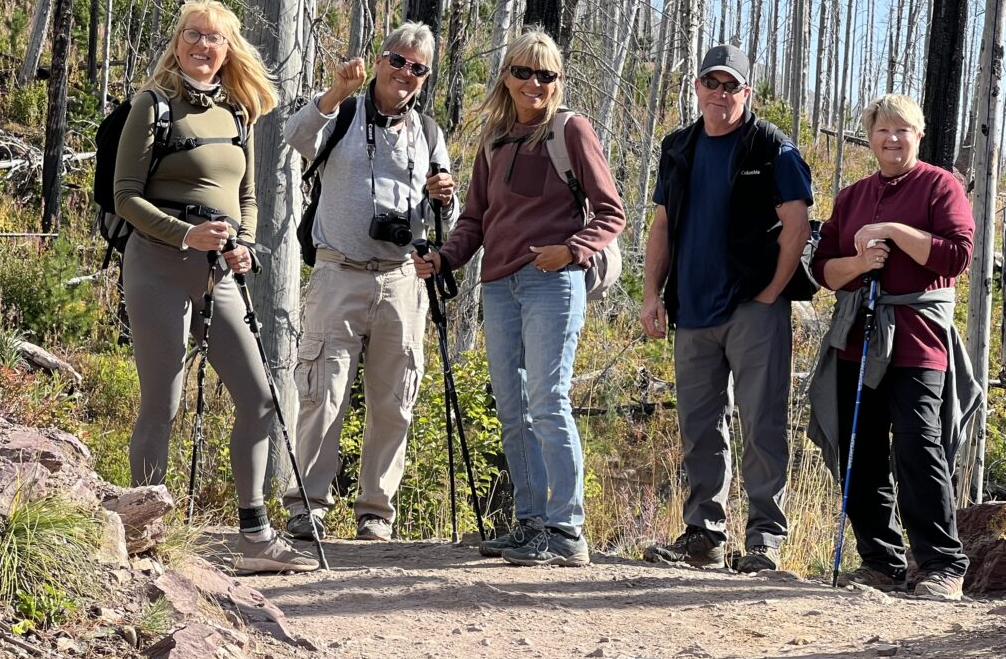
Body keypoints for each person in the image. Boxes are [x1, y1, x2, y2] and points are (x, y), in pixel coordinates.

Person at [114, 0, 318, 573]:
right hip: (157, 266)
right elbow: (124, 196)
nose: (204, 47)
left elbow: (247, 197)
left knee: (259, 398)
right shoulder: (151, 106)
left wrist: (244, 244)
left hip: (219, 273)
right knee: (163, 404)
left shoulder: (237, 114)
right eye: (193, 35)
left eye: (215, 39)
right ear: (177, 43)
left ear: (229, 50)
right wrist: (186, 236)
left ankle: (254, 539)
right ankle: (145, 538)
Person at [413, 29, 625, 567]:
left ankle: (567, 529)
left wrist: (569, 251)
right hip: (498, 286)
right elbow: (477, 219)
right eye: (524, 72)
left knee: (548, 401)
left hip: (550, 282)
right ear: (506, 76)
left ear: (557, 83)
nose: (535, 83)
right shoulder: (494, 138)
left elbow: (611, 214)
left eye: (546, 75)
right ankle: (531, 524)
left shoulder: (571, 130)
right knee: (512, 407)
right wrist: (444, 259)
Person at [639, 44, 813, 573]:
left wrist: (770, 292)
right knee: (699, 426)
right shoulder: (679, 147)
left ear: (747, 93)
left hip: (751, 306)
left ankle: (765, 538)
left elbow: (798, 224)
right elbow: (663, 226)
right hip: (691, 308)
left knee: (762, 422)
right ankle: (705, 535)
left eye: (730, 85)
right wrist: (651, 294)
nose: (720, 93)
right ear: (697, 88)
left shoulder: (772, 149)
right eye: (711, 83)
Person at [282, 22, 457, 542]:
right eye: (397, 61)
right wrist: (338, 89)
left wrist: (445, 196)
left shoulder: (428, 133)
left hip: (401, 279)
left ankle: (376, 511)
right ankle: (307, 504)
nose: (406, 72)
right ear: (379, 62)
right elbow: (295, 135)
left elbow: (446, 211)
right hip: (338, 273)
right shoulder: (346, 113)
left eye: (418, 68)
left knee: (394, 399)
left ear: (425, 78)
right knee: (322, 393)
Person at [807, 94, 981, 601]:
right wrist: (861, 264)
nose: (891, 139)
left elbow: (957, 256)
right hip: (856, 336)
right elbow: (824, 270)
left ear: (918, 134)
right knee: (859, 450)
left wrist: (892, 232)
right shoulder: (852, 195)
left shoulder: (939, 185)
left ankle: (942, 564)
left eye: (902, 130)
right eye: (883, 130)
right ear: (870, 136)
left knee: (918, 445)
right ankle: (880, 560)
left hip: (917, 338)